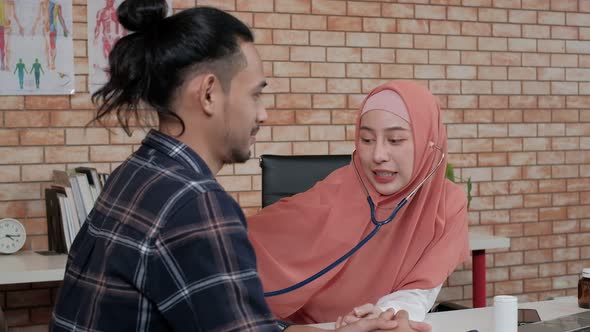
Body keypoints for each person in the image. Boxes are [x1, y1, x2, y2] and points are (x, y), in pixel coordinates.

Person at [50, 2, 423, 331]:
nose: (263, 113)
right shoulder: (196, 205)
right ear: (209, 93)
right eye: (255, 93)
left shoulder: (138, 173)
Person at [248, 80, 470, 325]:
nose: (378, 156)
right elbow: (245, 240)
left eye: (395, 140)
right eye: (366, 140)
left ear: (430, 145)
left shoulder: (448, 203)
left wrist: (385, 314)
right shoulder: (335, 191)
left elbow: (419, 290)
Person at [31, 0, 69, 70]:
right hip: (44, 27)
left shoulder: (56, 6)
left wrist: (65, 28)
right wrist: (34, 27)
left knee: (53, 46)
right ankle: (48, 63)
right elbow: (38, 17)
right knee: (47, 45)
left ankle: (53, 63)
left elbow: (60, 18)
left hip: (53, 28)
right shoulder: (41, 4)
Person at [94, 0, 125, 66]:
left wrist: (122, 36)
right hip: (106, 37)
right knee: (108, 58)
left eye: (112, 1)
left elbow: (122, 26)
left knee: (116, 57)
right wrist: (95, 38)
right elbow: (97, 26)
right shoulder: (101, 12)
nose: (110, 2)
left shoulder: (116, 12)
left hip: (116, 37)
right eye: (109, 0)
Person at [0, 0, 24, 71]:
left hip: (7, 27)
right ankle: (3, 64)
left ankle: (6, 65)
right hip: (2, 26)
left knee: (7, 47)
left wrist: (20, 26)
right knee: (3, 47)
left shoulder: (11, 2)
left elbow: (14, 15)